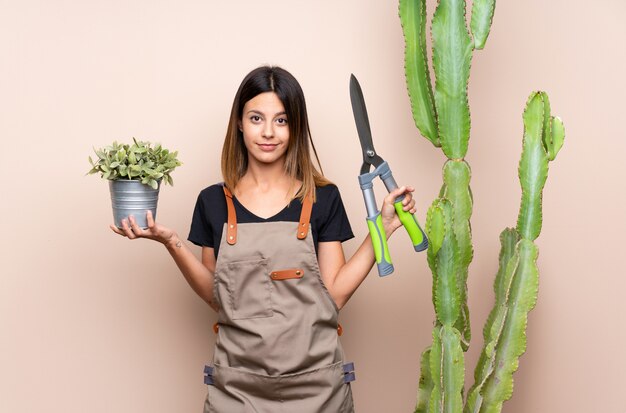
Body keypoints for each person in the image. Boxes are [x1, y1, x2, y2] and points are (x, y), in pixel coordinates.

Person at [110, 65, 417, 413]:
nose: (268, 132)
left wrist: (387, 227)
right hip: (237, 391)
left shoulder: (323, 198)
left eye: (281, 120)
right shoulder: (212, 202)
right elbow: (218, 297)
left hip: (318, 390)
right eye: (256, 118)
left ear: (295, 127)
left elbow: (336, 293)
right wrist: (171, 242)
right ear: (239, 123)